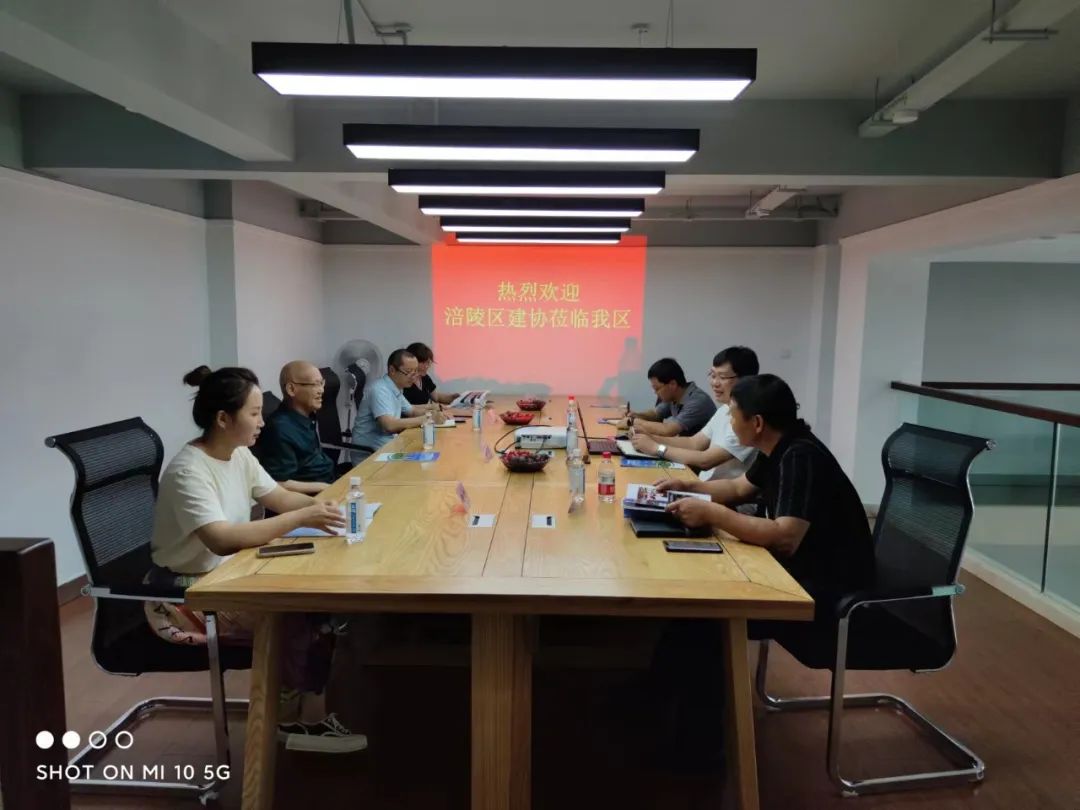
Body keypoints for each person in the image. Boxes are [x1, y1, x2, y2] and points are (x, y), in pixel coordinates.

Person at [144, 365, 367, 753]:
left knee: (319, 594)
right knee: (303, 609)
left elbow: (278, 497)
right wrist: (303, 517)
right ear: (223, 418)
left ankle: (299, 702)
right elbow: (222, 540)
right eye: (254, 413)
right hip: (186, 598)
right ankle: (297, 721)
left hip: (228, 576)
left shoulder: (239, 455)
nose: (262, 422)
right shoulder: (187, 472)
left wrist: (326, 506)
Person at [659, 373, 875, 610]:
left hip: (825, 586)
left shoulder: (799, 456)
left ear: (757, 423)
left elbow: (785, 538)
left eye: (733, 415)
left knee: (703, 599)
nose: (730, 422)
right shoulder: (776, 446)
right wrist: (687, 487)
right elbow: (737, 488)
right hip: (799, 569)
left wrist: (711, 513)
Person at [630, 346, 758, 480]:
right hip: (701, 482)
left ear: (746, 380)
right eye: (713, 375)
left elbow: (706, 460)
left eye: (722, 377)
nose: (714, 383)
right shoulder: (724, 409)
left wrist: (656, 447)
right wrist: (649, 438)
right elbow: (694, 443)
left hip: (716, 490)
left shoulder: (748, 419)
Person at [255, 361, 336, 493]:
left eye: (322, 383)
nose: (321, 390)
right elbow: (279, 483)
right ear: (291, 389)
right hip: (311, 497)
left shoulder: (307, 417)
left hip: (330, 484)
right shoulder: (280, 428)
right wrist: (325, 488)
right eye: (315, 384)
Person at [351, 348, 445, 461]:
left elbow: (412, 411)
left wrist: (435, 412)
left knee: (435, 453)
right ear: (392, 370)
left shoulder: (396, 388)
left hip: (388, 447)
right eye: (408, 372)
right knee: (427, 460)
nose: (414, 376)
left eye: (415, 371)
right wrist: (428, 419)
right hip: (371, 456)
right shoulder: (380, 390)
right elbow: (389, 425)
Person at [619, 357, 715, 438]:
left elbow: (668, 430)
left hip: (702, 452)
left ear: (672, 384)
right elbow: (655, 414)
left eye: (657, 389)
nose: (655, 393)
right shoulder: (674, 396)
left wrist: (632, 422)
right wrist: (635, 415)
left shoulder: (697, 401)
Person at [402, 342, 459, 406]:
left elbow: (436, 397)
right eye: (423, 363)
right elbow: (405, 407)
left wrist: (454, 398)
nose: (427, 366)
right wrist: (429, 408)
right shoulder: (403, 382)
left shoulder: (425, 378)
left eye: (428, 363)